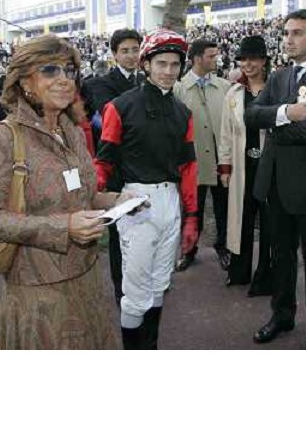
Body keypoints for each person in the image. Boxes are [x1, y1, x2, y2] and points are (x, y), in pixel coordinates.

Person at [0, 36, 129, 349]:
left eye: (69, 71)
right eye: (50, 70)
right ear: (25, 82)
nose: (64, 79)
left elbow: (84, 198)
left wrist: (119, 201)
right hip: (39, 295)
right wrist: (64, 227)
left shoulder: (73, 133)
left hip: (89, 282)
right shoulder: (1, 138)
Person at [94, 31, 198, 349]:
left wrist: (192, 216)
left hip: (170, 202)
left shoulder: (184, 113)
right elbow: (104, 161)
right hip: (135, 201)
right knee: (135, 295)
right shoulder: (120, 106)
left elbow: (188, 168)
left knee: (158, 286)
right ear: (147, 65)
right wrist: (99, 198)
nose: (168, 71)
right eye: (161, 63)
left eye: (174, 65)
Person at [245, 9, 306, 349]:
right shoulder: (279, 77)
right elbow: (251, 115)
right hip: (275, 185)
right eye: (286, 33)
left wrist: (276, 126)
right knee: (279, 256)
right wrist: (286, 114)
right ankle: (281, 315)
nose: (288, 39)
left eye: (297, 33)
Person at [90, 28, 145, 305]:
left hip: (145, 170)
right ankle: (120, 287)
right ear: (114, 55)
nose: (131, 55)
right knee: (118, 233)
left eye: (135, 49)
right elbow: (114, 118)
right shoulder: (101, 84)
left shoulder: (147, 80)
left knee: (145, 229)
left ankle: (141, 280)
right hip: (117, 170)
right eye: (125, 50)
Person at [218, 36, 272, 296]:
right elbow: (226, 133)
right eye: (243, 59)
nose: (247, 64)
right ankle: (239, 272)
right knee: (241, 219)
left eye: (253, 58)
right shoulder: (234, 93)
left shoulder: (275, 89)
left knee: (270, 221)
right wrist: (225, 166)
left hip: (270, 166)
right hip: (242, 166)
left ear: (263, 60)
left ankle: (266, 276)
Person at [173, 39, 231, 271]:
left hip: (222, 162)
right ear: (197, 58)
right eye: (211, 56)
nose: (216, 60)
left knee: (224, 209)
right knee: (191, 210)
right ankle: (189, 249)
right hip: (193, 163)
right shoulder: (178, 90)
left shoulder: (225, 87)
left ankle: (224, 246)